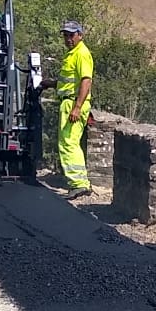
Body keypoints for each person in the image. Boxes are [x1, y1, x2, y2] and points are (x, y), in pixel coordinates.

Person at [56, 20, 93, 197]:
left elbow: (86, 81)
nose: (68, 38)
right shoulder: (73, 53)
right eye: (65, 35)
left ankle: (79, 183)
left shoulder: (81, 53)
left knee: (69, 143)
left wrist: (77, 107)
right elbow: (71, 81)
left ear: (80, 35)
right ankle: (78, 182)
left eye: (71, 35)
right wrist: (52, 84)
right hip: (69, 102)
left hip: (73, 103)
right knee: (68, 142)